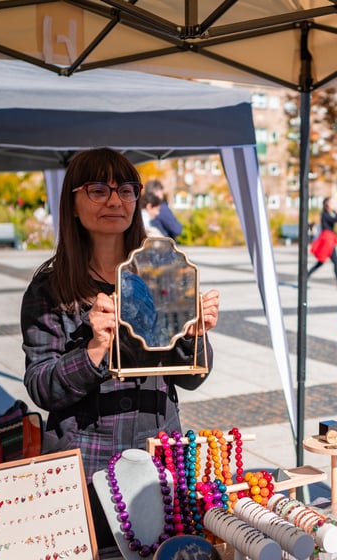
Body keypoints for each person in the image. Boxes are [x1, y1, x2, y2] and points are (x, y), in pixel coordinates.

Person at [20, 147, 220, 481]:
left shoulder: (159, 271)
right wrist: (94, 349)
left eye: (126, 190)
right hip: (84, 460)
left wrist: (193, 334)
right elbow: (42, 387)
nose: (115, 201)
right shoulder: (49, 288)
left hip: (159, 451)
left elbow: (191, 378)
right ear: (71, 204)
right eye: (98, 190)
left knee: (166, 534)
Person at [308, 197, 337, 289]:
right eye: (331, 203)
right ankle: (305, 276)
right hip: (326, 240)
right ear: (326, 205)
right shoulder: (325, 215)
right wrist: (335, 212)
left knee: (334, 261)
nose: (333, 205)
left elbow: (335, 224)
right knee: (322, 261)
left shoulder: (330, 214)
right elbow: (336, 220)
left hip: (330, 239)